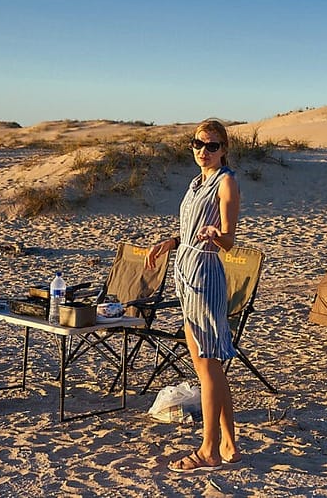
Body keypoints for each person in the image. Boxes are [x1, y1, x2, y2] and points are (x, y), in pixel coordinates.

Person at [146, 119, 242, 473]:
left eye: (212, 146)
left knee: (207, 363)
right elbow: (189, 230)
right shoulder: (196, 182)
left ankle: (208, 449)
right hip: (185, 271)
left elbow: (229, 240)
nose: (204, 151)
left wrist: (216, 235)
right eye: (198, 144)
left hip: (204, 273)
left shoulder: (225, 182)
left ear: (224, 149)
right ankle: (229, 444)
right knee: (206, 365)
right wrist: (172, 242)